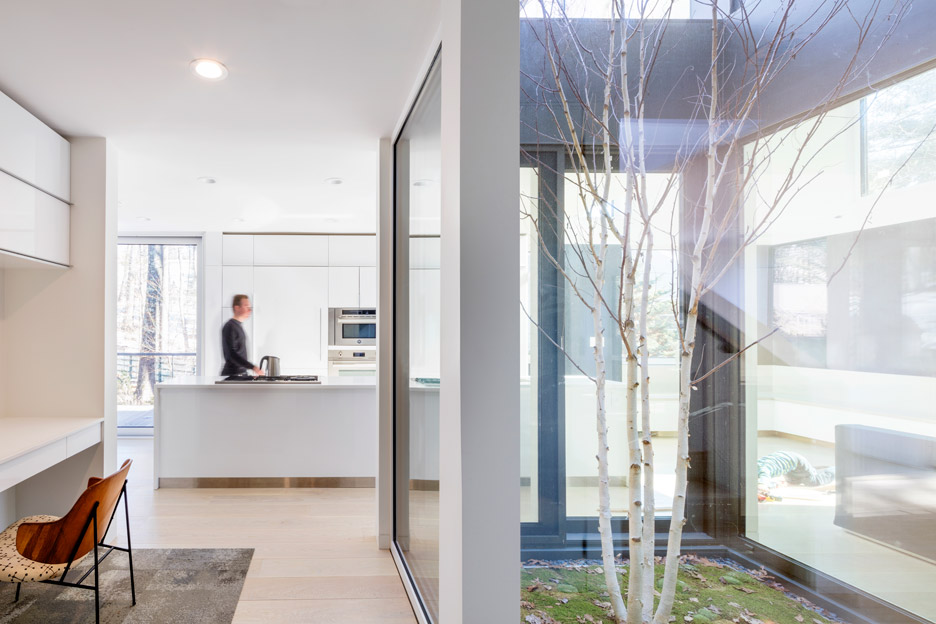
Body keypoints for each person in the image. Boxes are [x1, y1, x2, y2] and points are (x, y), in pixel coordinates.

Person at [221, 294, 263, 376]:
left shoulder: (238, 326)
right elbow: (231, 354)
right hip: (232, 376)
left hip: (241, 374)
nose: (249, 310)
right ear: (237, 308)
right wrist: (253, 367)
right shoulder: (230, 326)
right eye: (246, 306)